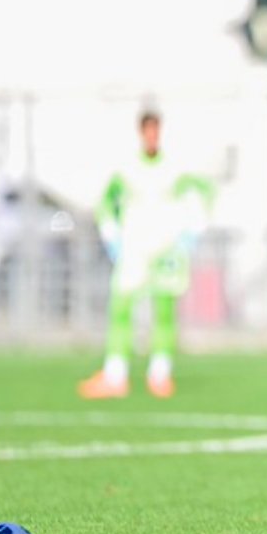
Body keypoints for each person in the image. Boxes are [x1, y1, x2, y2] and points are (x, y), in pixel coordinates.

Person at [78, 110, 212, 399]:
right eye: (148, 131)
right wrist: (111, 236)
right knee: (121, 308)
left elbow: (205, 193)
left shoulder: (176, 169)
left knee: (164, 310)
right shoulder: (126, 169)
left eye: (156, 131)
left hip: (166, 250)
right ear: (141, 133)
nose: (152, 136)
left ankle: (160, 375)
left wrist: (191, 233)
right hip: (134, 249)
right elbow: (104, 202)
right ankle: (115, 375)